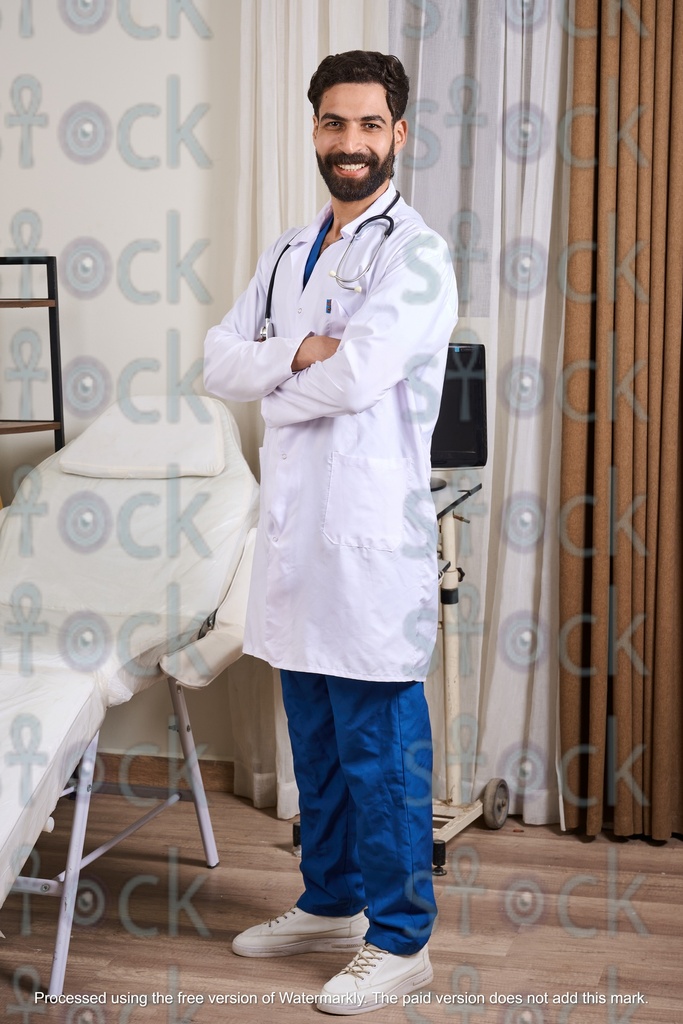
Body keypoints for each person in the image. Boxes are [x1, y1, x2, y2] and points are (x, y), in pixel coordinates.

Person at [204, 50, 458, 1015]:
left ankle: (400, 940)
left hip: (365, 546)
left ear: (398, 135)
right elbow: (215, 361)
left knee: (380, 755)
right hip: (296, 543)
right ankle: (331, 902)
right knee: (314, 741)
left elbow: (354, 379)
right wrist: (299, 352)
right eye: (333, 123)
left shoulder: (414, 254)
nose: (350, 142)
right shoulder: (286, 249)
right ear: (314, 130)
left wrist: (276, 376)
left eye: (368, 125)